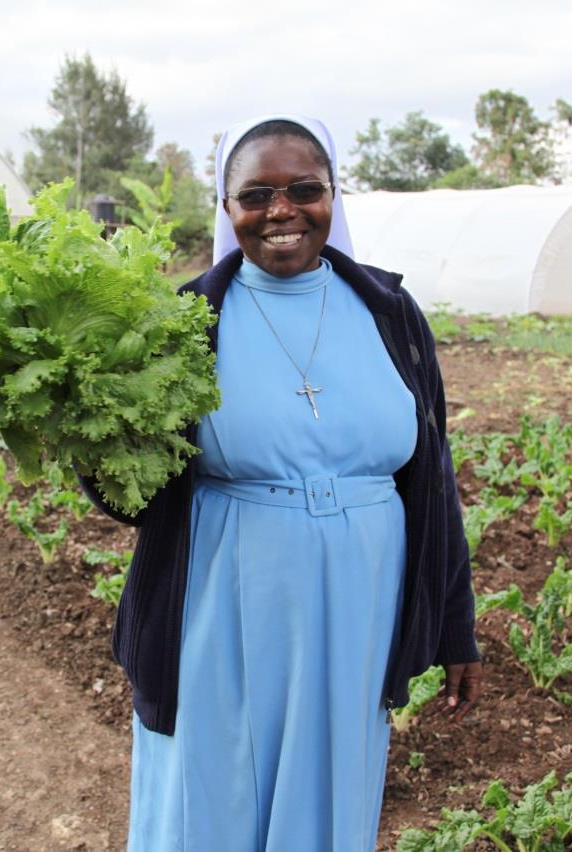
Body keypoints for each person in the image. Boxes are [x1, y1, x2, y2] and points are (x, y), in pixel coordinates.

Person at [81, 115, 483, 850]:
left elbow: (433, 480)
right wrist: (88, 426)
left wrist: (455, 625)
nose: (282, 210)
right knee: (214, 788)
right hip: (222, 599)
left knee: (328, 792)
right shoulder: (184, 321)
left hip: (358, 606)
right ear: (226, 206)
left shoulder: (391, 314)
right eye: (255, 194)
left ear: (334, 195)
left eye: (305, 188)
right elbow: (130, 498)